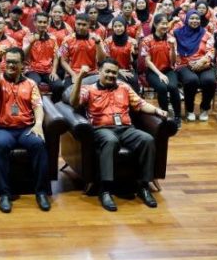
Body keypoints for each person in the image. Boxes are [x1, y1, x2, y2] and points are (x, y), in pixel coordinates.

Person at [70, 58, 168, 212]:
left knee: (147, 140)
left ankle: (143, 186)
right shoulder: (88, 89)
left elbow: (140, 104)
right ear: (99, 72)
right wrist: (80, 78)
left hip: (126, 128)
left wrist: (157, 110)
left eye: (114, 73)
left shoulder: (124, 87)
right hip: (101, 129)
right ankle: (105, 189)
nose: (111, 75)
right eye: (107, 71)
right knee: (111, 141)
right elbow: (74, 102)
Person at [0, 47, 50, 214]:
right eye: (8, 61)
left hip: (25, 129)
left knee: (39, 144)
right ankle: (4, 194)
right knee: (0, 145)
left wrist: (38, 124)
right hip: (2, 129)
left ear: (23, 65)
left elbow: (38, 106)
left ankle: (42, 192)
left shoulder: (31, 84)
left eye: (15, 62)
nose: (11, 65)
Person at [140, 14, 182, 130]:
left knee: (173, 87)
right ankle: (164, 115)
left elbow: (173, 61)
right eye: (162, 24)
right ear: (155, 25)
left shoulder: (171, 39)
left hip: (168, 70)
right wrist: (160, 74)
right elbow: (147, 61)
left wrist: (172, 48)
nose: (165, 26)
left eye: (166, 24)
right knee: (162, 88)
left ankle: (177, 116)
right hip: (153, 72)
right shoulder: (147, 40)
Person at [175, 11, 216, 122]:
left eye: (197, 18)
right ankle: (189, 110)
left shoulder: (206, 34)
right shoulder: (177, 33)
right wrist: (189, 62)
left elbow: (211, 51)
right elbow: (174, 51)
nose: (195, 21)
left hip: (203, 64)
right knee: (191, 80)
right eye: (192, 18)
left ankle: (204, 108)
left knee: (209, 80)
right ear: (187, 19)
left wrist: (202, 61)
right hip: (184, 64)